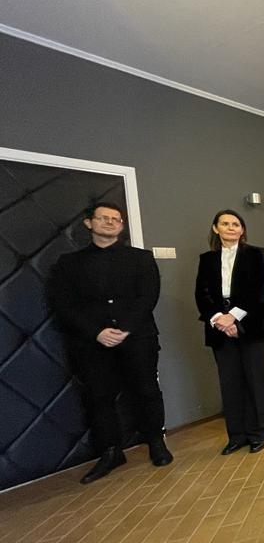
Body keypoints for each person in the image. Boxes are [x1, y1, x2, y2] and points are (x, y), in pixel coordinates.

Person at [49, 202, 174, 484]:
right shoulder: (69, 264)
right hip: (92, 343)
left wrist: (126, 328)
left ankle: (156, 442)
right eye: (103, 218)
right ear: (89, 223)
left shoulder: (141, 258)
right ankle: (111, 451)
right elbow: (63, 304)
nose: (110, 222)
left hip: (137, 338)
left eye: (116, 219)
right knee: (99, 397)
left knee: (147, 390)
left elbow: (148, 296)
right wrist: (96, 332)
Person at [195, 209, 264, 455]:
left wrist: (233, 317)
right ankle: (236, 435)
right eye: (225, 223)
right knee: (229, 382)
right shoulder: (207, 259)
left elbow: (257, 291)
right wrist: (219, 319)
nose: (231, 228)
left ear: (242, 230)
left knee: (255, 378)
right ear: (215, 228)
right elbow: (201, 293)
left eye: (236, 224)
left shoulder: (255, 254)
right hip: (218, 325)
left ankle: (259, 431)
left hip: (252, 322)